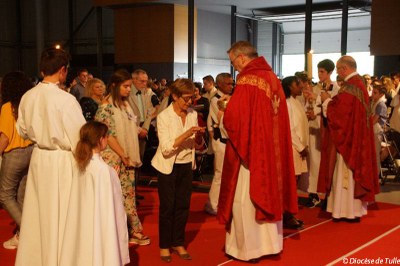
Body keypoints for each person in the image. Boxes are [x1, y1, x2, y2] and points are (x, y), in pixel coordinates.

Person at [217, 41, 298, 262]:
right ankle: (270, 244)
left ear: (242, 58)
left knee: (244, 199)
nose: (233, 67)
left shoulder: (248, 78)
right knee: (269, 189)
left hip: (252, 152)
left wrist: (224, 112)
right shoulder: (272, 78)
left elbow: (236, 119)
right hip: (271, 150)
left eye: (233, 62)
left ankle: (249, 249)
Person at [15, 47, 86, 266]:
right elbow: (79, 136)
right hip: (61, 160)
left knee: (38, 214)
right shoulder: (65, 100)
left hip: (39, 158)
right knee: (61, 214)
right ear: (63, 70)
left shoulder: (28, 96)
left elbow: (22, 130)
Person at [319, 55, 379, 222]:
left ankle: (345, 211)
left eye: (338, 69)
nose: (337, 73)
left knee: (345, 174)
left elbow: (341, 115)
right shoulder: (359, 84)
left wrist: (326, 102)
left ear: (344, 69)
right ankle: (352, 210)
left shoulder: (351, 86)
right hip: (357, 136)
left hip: (349, 139)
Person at [61, 121, 130, 265]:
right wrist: (113, 177)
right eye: (106, 136)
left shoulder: (81, 163)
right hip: (99, 222)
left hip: (83, 220)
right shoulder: (103, 170)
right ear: (100, 139)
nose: (107, 139)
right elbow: (112, 207)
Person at [151, 78, 205, 263]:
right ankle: (164, 245)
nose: (190, 102)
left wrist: (198, 137)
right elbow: (166, 148)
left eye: (192, 98)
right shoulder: (164, 116)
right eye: (186, 98)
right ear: (174, 96)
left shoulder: (191, 114)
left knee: (183, 206)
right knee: (167, 207)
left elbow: (195, 145)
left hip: (186, 165)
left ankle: (178, 242)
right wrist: (187, 133)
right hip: (167, 166)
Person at [95, 69, 150, 245]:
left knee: (128, 195)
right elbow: (108, 135)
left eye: (129, 86)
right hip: (113, 159)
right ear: (114, 86)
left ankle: (132, 230)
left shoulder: (124, 105)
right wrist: (123, 155)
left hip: (126, 157)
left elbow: (130, 126)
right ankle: (121, 232)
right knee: (115, 197)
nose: (128, 90)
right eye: (125, 86)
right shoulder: (105, 107)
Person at [0, 71, 33, 249]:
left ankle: (27, 233)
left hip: (14, 153)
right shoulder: (29, 105)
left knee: (5, 195)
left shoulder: (8, 107)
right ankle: (22, 234)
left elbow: (5, 137)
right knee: (22, 195)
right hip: (31, 151)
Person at [204, 73, 233, 215]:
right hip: (221, 140)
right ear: (219, 84)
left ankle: (222, 202)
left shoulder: (228, 98)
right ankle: (212, 204)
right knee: (219, 173)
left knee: (226, 174)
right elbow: (224, 119)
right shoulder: (216, 100)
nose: (231, 86)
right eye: (228, 83)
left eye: (232, 83)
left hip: (228, 140)